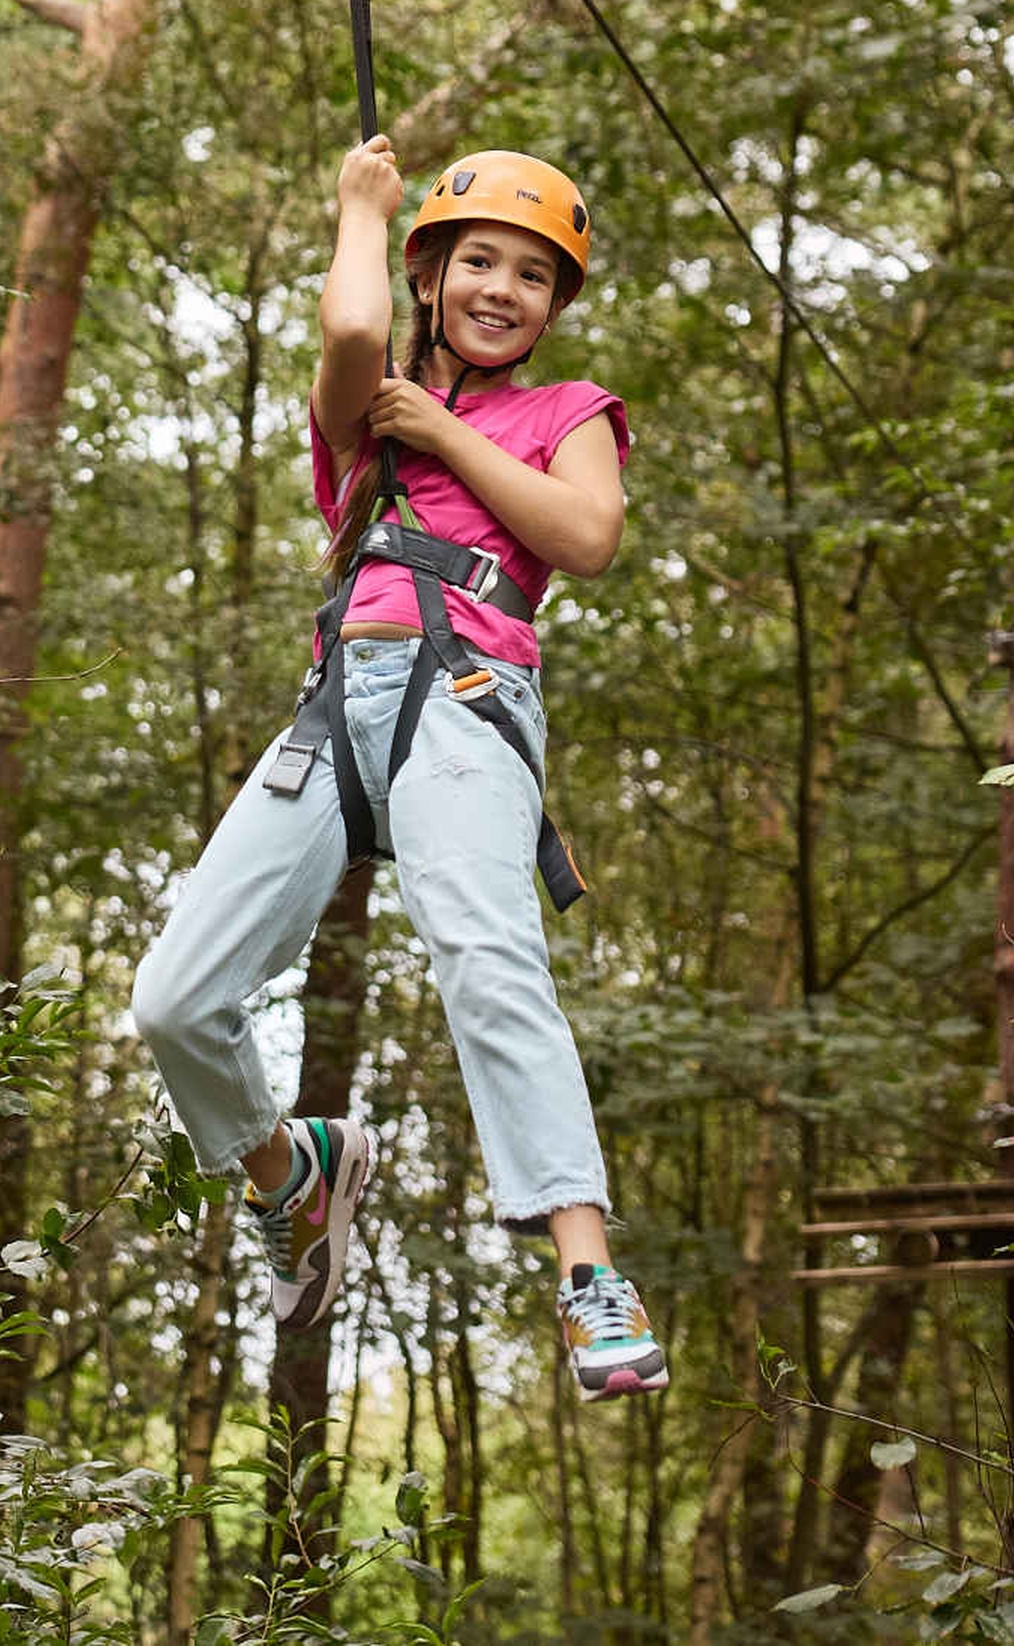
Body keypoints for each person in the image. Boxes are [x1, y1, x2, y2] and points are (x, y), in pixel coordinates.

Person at [129, 136, 667, 1401]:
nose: (502, 289)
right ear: (431, 273)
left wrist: (449, 435)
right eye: (477, 260)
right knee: (173, 1000)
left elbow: (587, 536)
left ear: (554, 308)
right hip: (333, 714)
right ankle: (290, 1175)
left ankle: (590, 1273)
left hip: (469, 702)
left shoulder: (567, 413)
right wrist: (361, 211)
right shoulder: (367, 415)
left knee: (488, 957)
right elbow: (351, 331)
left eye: (533, 276)